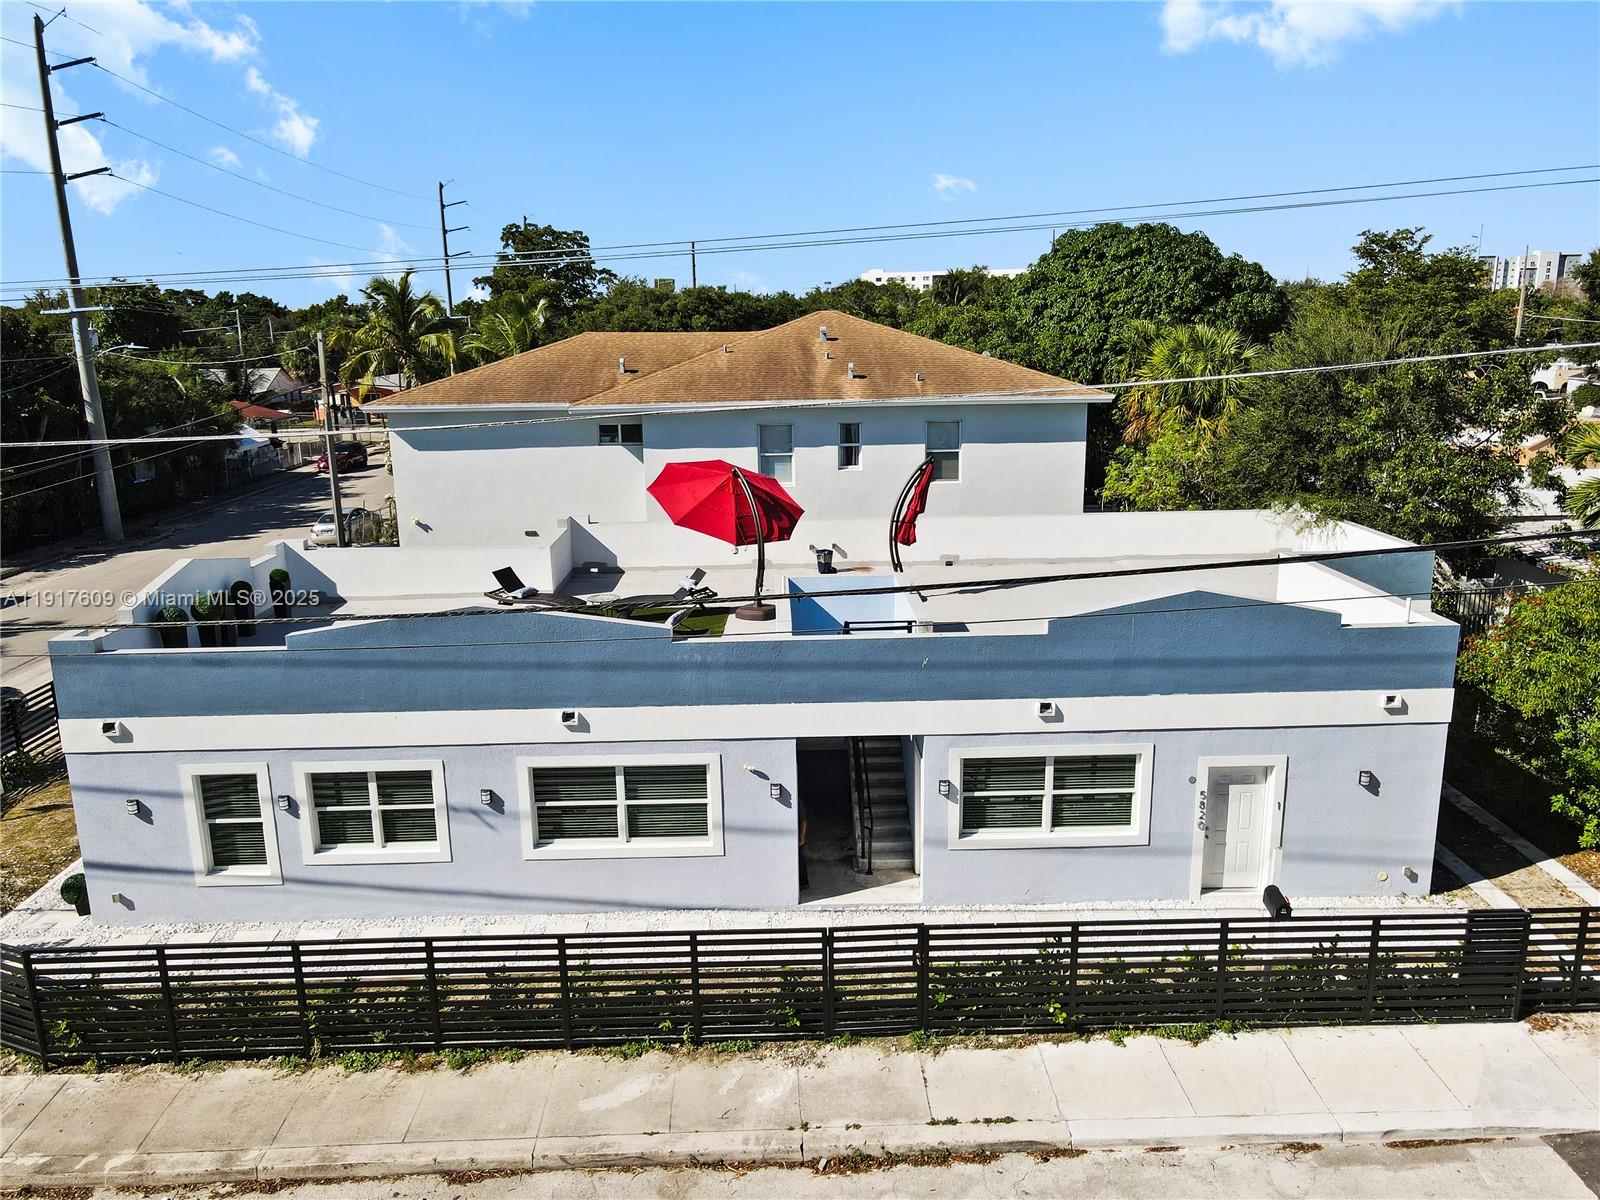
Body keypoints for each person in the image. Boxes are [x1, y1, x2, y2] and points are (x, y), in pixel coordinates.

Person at [797, 792, 809, 891]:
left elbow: (803, 820)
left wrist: (801, 835)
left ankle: (803, 882)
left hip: (796, 835)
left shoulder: (798, 801)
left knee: (800, 859)